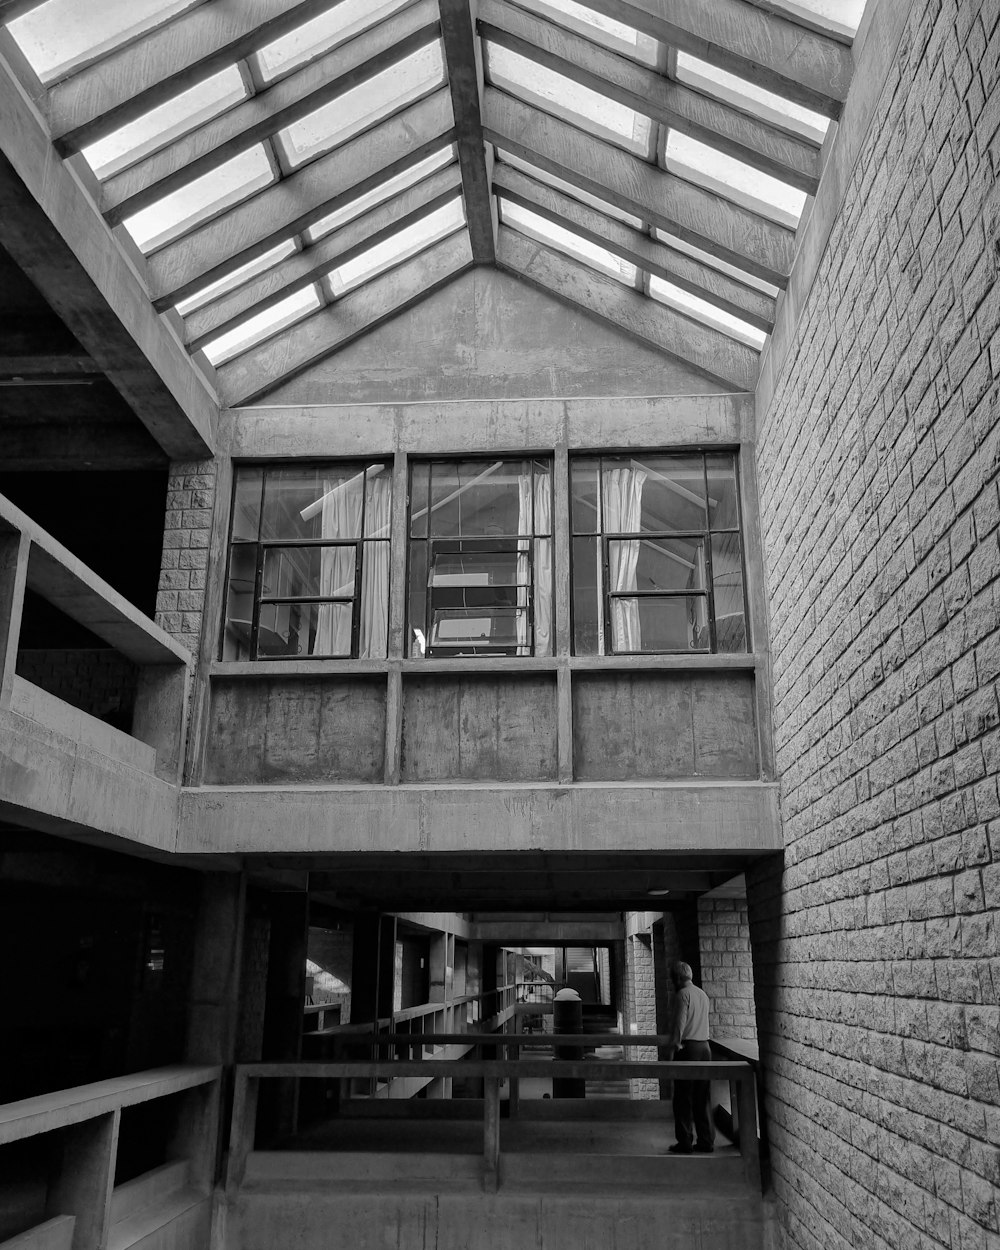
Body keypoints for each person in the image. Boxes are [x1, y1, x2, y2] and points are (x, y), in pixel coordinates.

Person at [664, 961, 715, 1155]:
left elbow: (679, 1025)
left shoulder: (682, 995)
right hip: (705, 1047)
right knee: (703, 1096)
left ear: (677, 978)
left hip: (688, 1048)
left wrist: (672, 1050)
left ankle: (685, 1141)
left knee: (683, 1097)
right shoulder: (702, 994)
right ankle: (706, 1140)